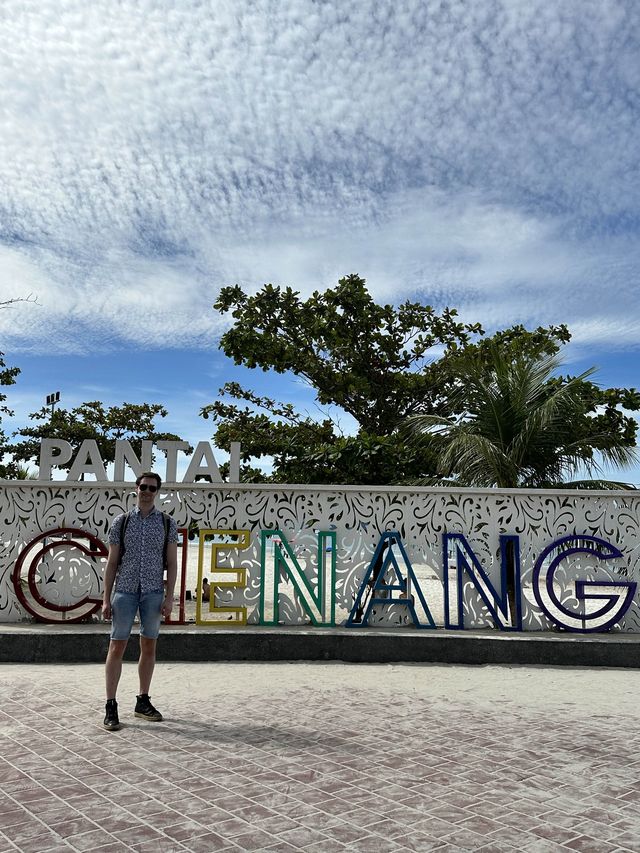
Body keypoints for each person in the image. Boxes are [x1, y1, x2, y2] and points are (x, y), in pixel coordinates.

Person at [102, 472, 178, 731]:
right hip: (124, 591)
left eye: (152, 488)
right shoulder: (121, 522)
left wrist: (170, 598)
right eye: (143, 486)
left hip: (153, 592)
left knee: (149, 646)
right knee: (116, 646)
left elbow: (171, 563)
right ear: (136, 489)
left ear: (158, 492)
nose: (147, 491)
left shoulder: (167, 523)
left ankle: (142, 700)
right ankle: (111, 704)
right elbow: (112, 564)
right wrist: (105, 598)